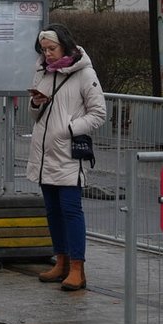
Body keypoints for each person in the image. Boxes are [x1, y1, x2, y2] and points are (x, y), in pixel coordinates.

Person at [28, 23, 107, 291]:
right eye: (43, 49)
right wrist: (35, 103)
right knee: (52, 211)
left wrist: (69, 129)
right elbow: (34, 114)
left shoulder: (85, 74)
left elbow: (99, 113)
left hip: (68, 154)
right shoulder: (42, 71)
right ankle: (60, 261)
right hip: (45, 153)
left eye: (52, 48)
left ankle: (77, 268)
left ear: (65, 46)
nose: (47, 54)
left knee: (71, 210)